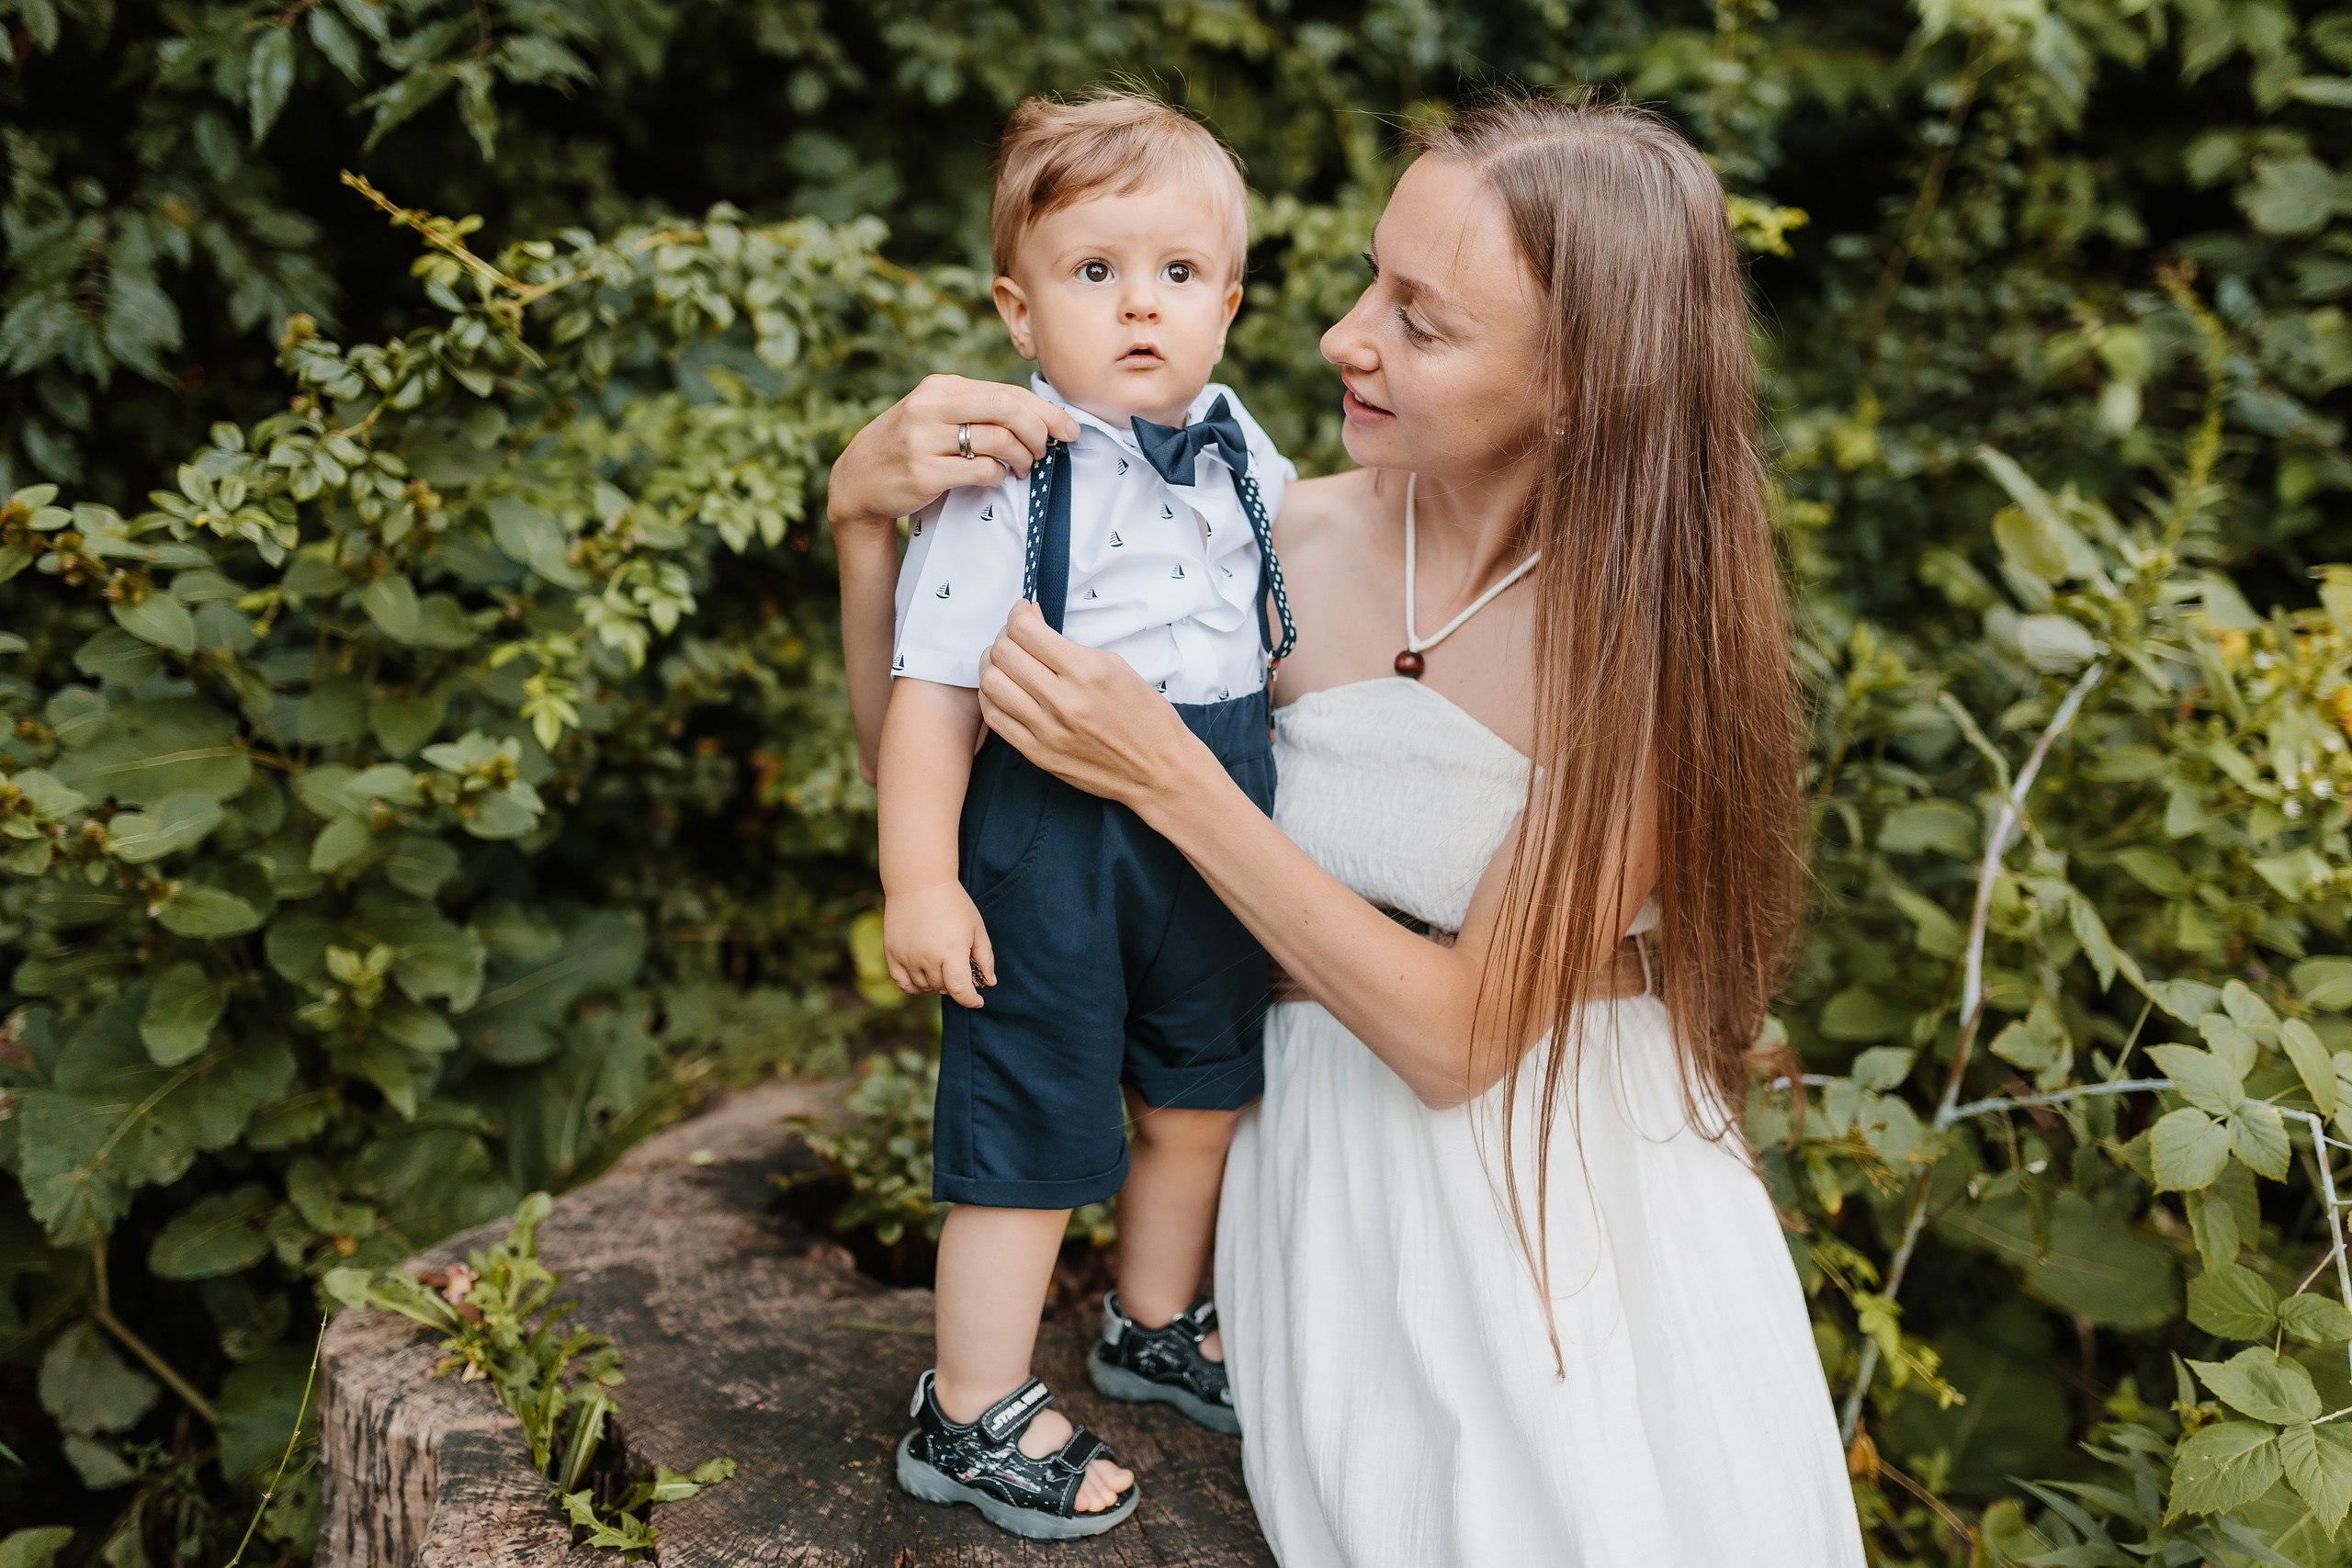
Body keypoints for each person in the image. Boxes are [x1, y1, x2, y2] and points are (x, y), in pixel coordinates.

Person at [831, 94, 1868, 1566]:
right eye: (1373, 277)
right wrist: (866, 533)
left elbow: (1461, 1046)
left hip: (1568, 1188)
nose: (1341, 335)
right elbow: (937, 758)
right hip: (1306, 1138)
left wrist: (1171, 780)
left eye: (1421, 322)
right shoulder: (1261, 535)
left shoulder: (1643, 651)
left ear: (1583, 383)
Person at [870, 90, 1298, 1540]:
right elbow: (931, 694)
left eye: (1177, 275)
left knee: (1200, 1098)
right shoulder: (1003, 489)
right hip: (1052, 843)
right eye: (1093, 272)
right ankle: (971, 1407)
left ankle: (1153, 1322)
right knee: (1035, 1125)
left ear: (1229, 302)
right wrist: (920, 881)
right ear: (1018, 306)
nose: (1139, 307)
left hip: (1213, 840)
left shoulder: (1255, 467)